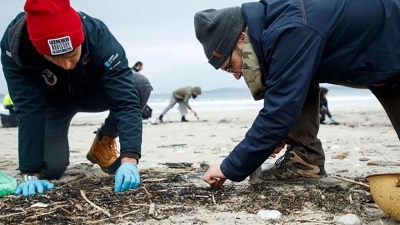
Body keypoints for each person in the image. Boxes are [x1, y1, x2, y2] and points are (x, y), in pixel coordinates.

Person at [194, 0, 400, 187]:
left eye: (231, 66)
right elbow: (291, 85)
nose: (236, 76)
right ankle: (304, 161)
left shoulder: (290, 28)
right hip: (380, 65)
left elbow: (279, 112)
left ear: (240, 38)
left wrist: (228, 167)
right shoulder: (275, 23)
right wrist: (281, 134)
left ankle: (305, 161)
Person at [1, 0, 153, 196]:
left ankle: (103, 141)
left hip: (92, 91)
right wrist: (30, 172)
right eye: (54, 58)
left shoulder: (97, 35)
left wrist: (130, 158)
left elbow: (125, 100)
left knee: (138, 85)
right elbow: (28, 108)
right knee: (51, 169)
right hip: (51, 104)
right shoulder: (16, 47)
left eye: (72, 55)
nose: (66, 65)